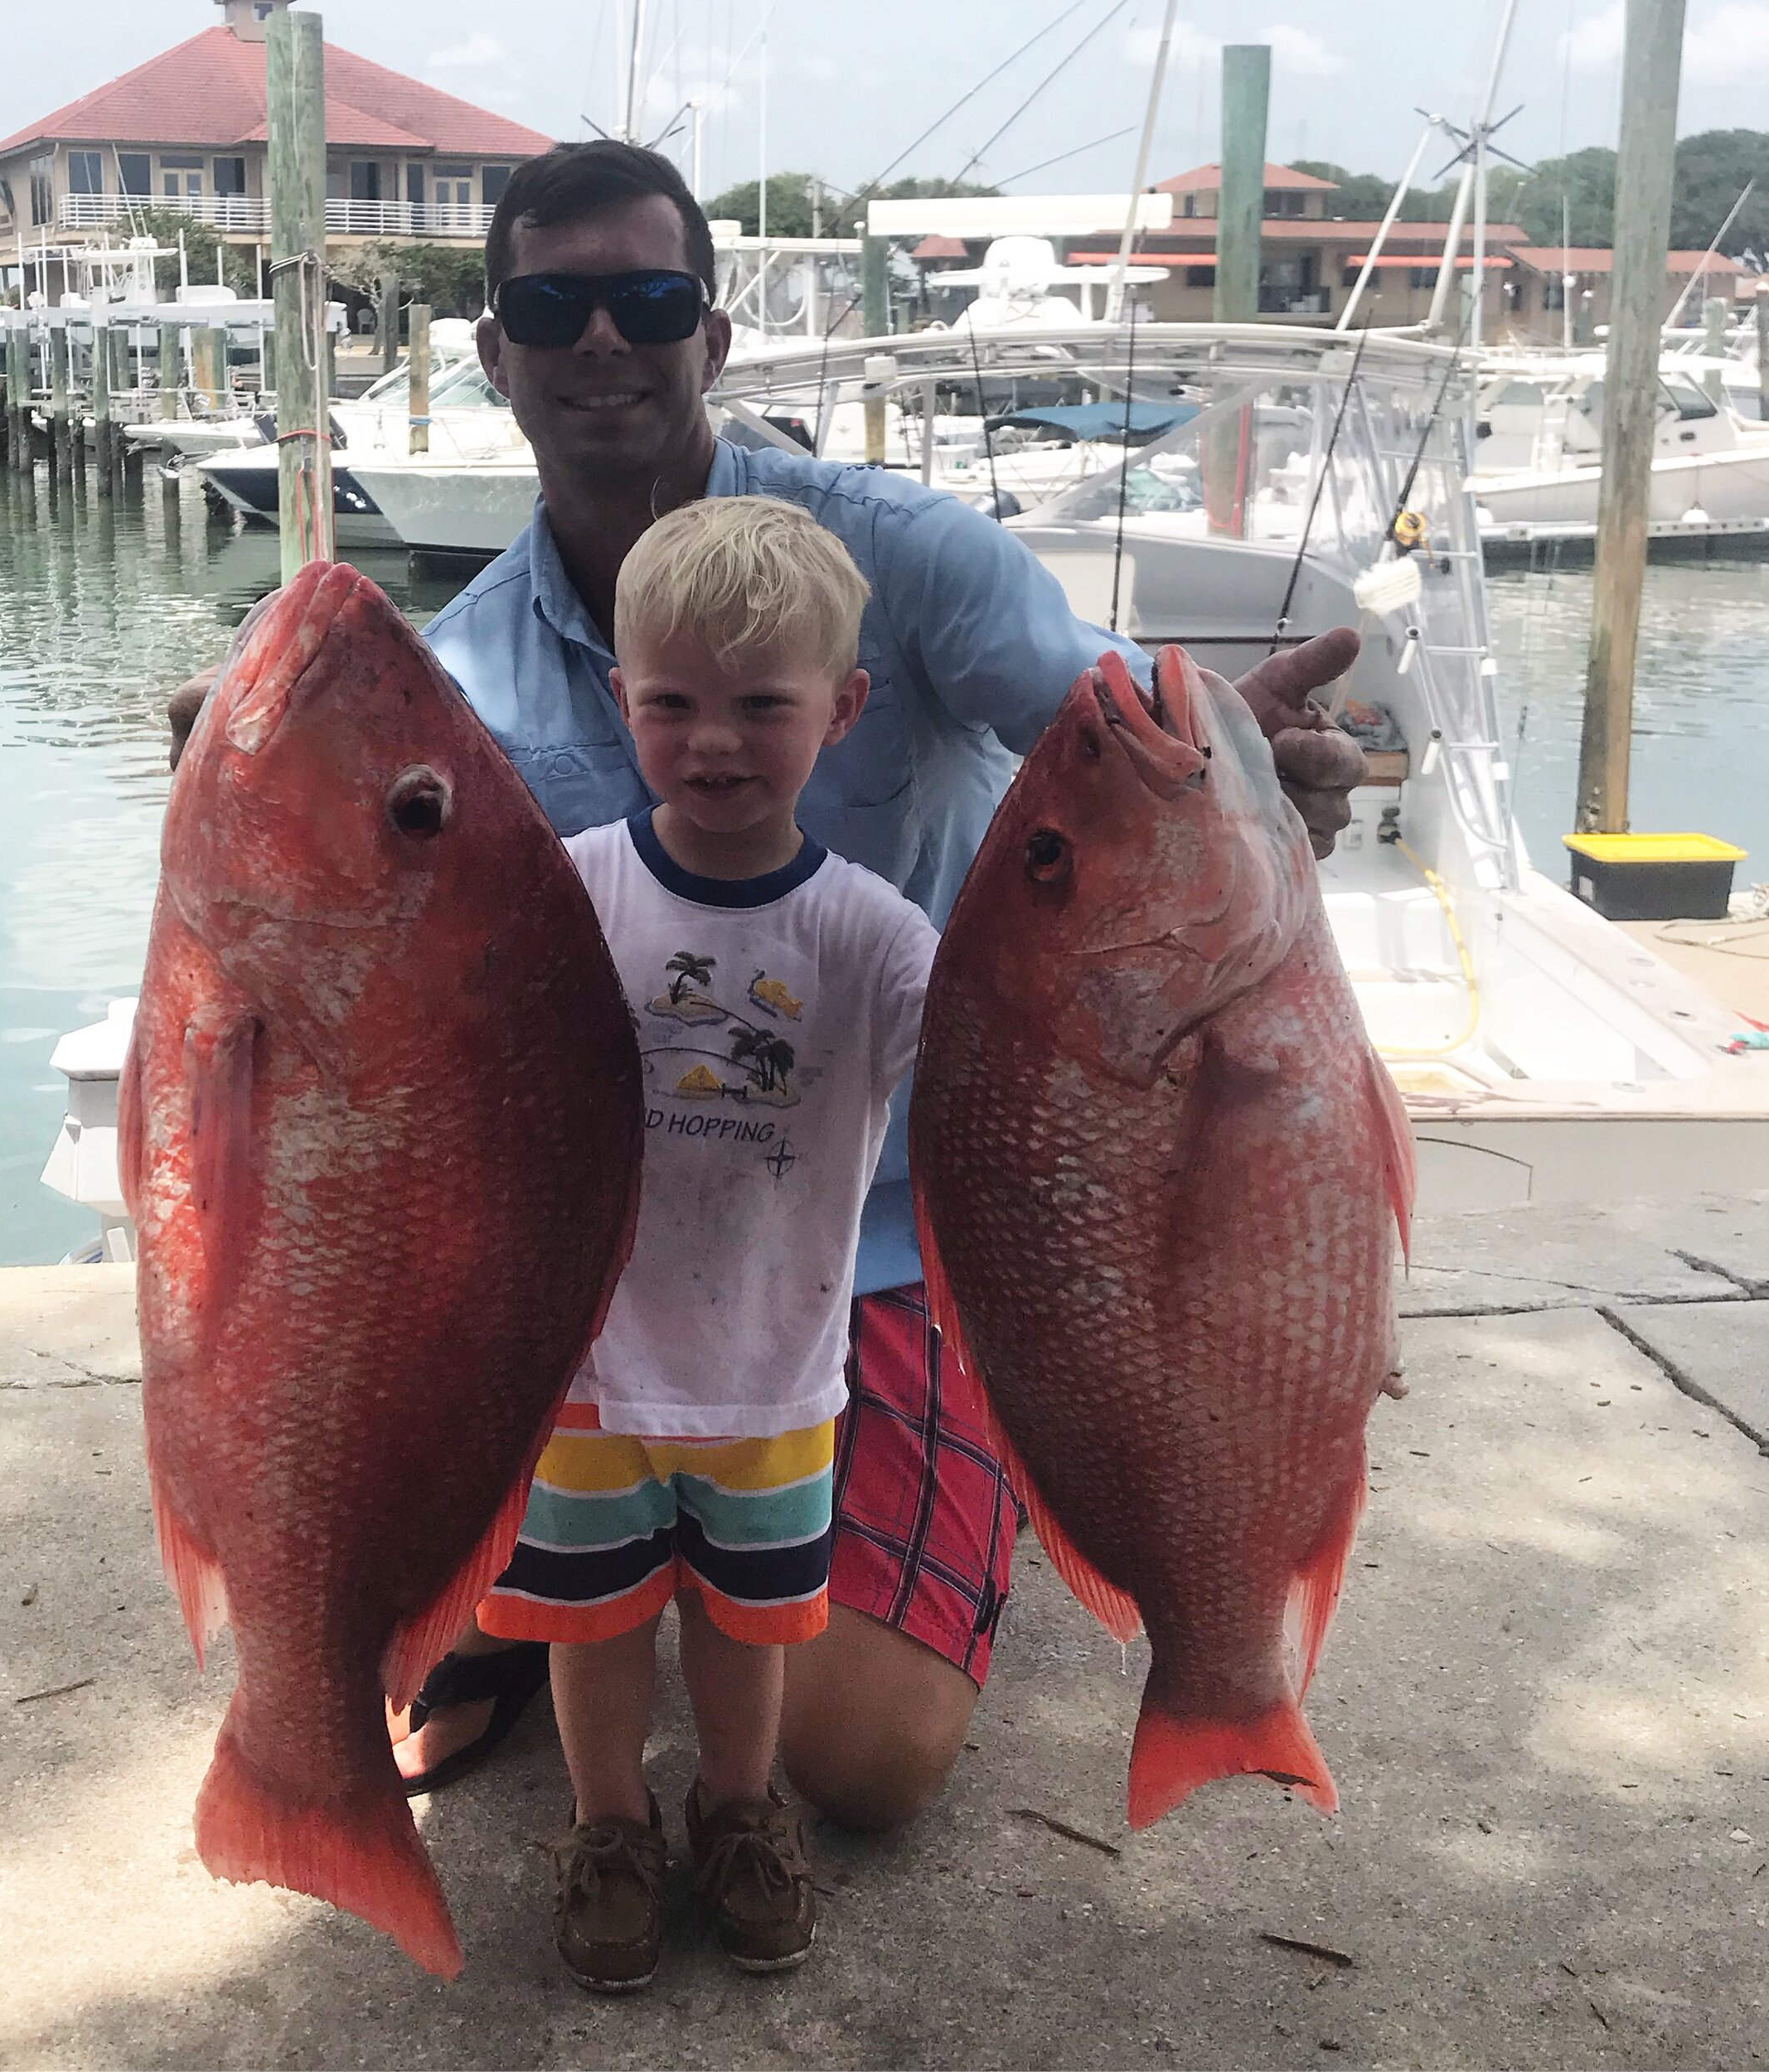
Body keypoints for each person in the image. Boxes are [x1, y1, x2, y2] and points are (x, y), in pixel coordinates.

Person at [170, 139, 1368, 1835]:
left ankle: (912, 1504)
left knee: (858, 1761)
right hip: (575, 1264)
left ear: (710, 338)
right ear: (495, 351)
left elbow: (1101, 751)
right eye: (551, 304)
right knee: (403, 1535)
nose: (602, 340)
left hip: (881, 1243)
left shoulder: (901, 558)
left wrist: (1247, 759)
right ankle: (518, 1591)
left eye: (647, 300)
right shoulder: (454, 681)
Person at [490, 492, 933, 1992]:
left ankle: (737, 1815)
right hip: (590, 1370)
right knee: (593, 1621)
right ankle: (610, 1824)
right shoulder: (570, 893)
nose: (716, 743)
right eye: (673, 703)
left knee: (753, 1626)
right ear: (622, 701)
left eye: (765, 705)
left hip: (777, 1370)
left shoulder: (874, 937)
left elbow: (1014, 1062)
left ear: (847, 710)